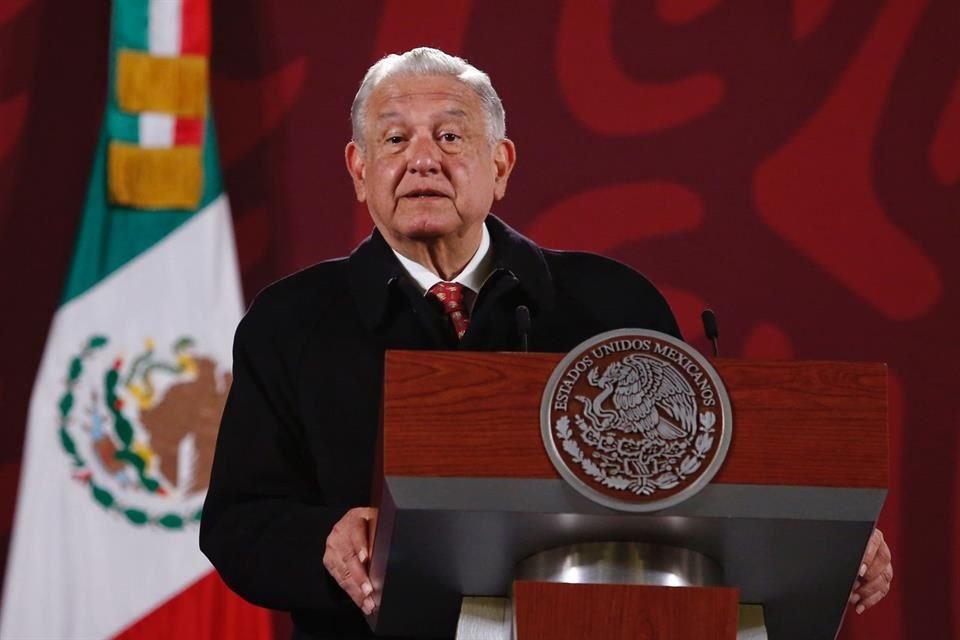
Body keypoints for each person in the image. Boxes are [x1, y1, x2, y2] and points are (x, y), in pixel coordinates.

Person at [200, 47, 892, 639]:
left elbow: (694, 469)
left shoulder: (610, 301)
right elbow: (238, 523)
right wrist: (324, 540)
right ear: (357, 169)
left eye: (449, 136)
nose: (422, 161)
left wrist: (828, 532)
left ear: (499, 164)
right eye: (393, 139)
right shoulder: (291, 320)